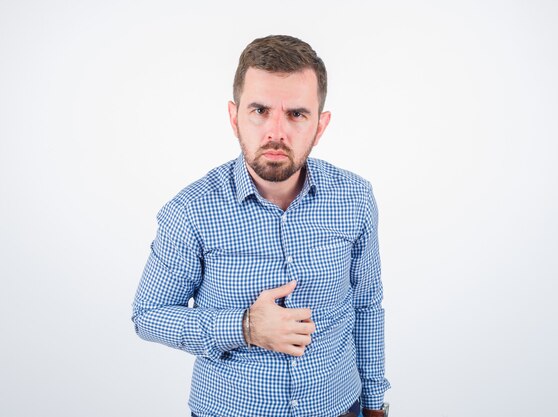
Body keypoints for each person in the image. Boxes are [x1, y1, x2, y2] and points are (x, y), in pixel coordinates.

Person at [132, 34, 390, 417]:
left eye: (296, 114)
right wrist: (245, 327)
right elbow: (148, 315)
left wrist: (375, 405)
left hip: (339, 407)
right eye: (260, 111)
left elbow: (368, 305)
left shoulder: (355, 198)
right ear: (234, 117)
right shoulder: (190, 211)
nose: (276, 132)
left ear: (320, 125)